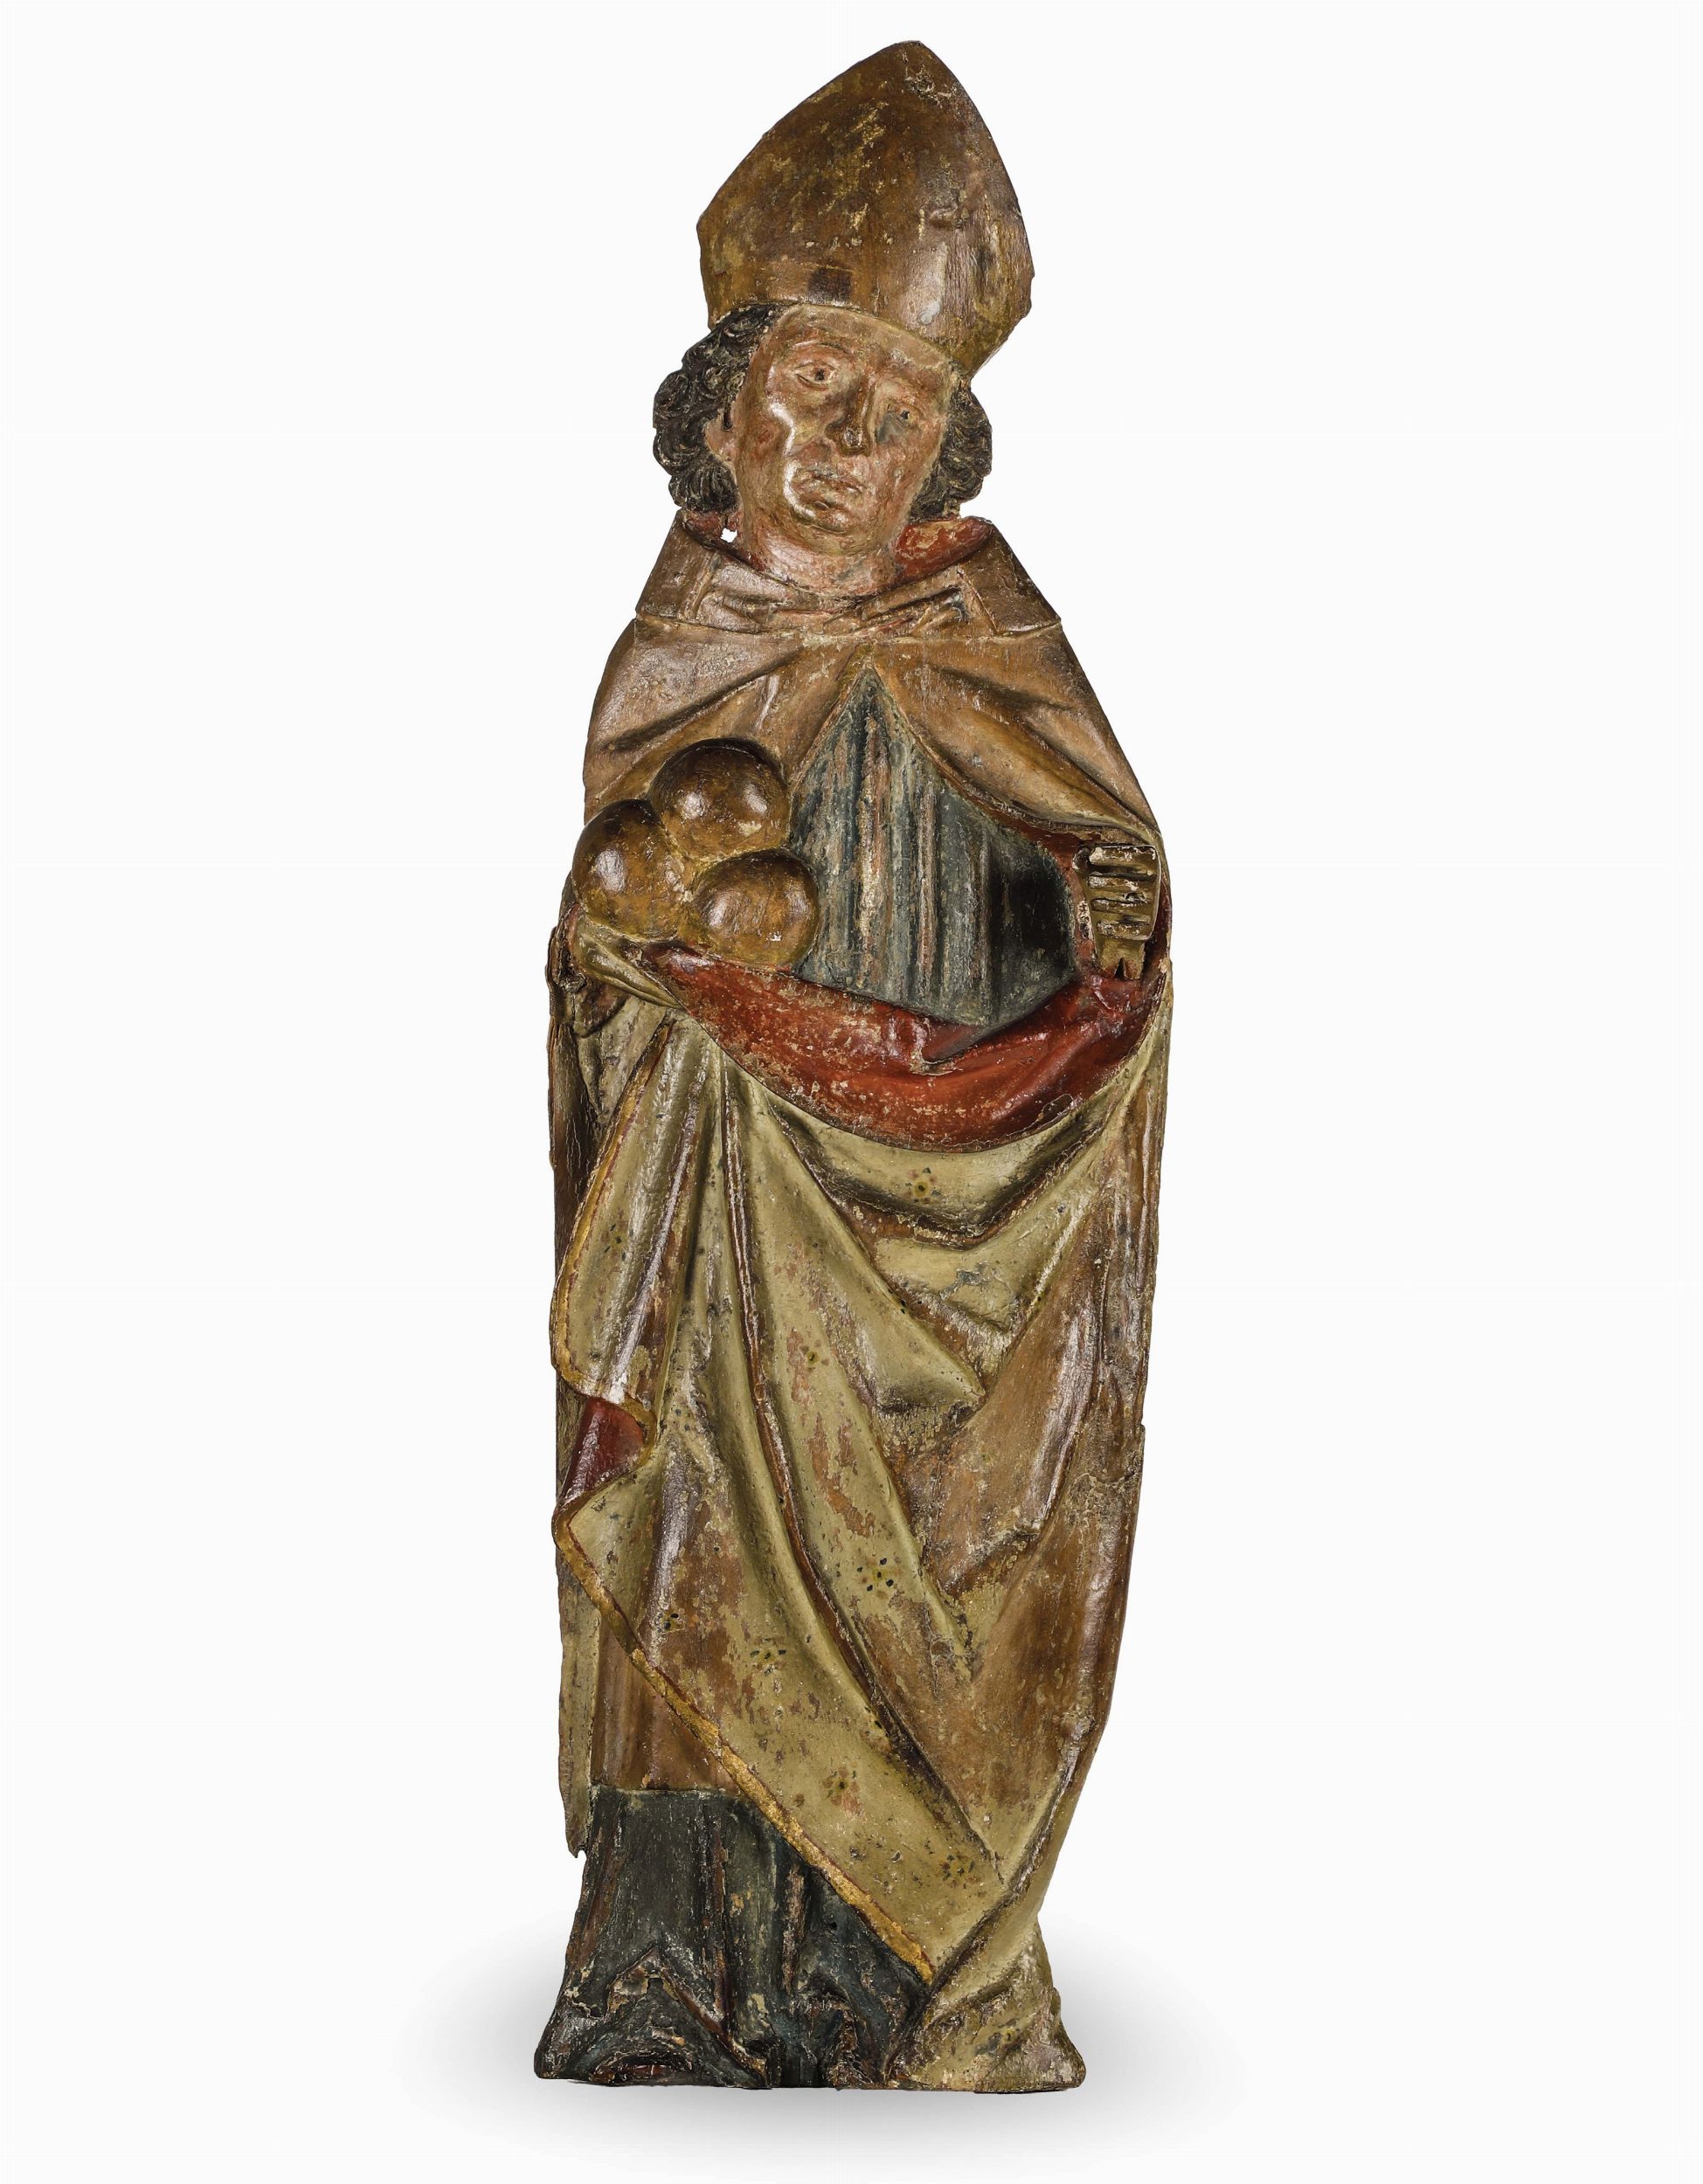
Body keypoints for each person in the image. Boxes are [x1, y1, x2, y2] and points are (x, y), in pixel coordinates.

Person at [537, 43, 1171, 2091]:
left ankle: (916, 1959)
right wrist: (655, 982)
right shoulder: (684, 638)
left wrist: (1103, 907)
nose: (845, 446)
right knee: (706, 1518)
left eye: (893, 412)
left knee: (941, 1546)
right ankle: (679, 1961)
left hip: (950, 1207)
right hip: (733, 1203)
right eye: (814, 391)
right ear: (722, 408)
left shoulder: (992, 624)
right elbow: (605, 935)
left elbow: (1107, 875)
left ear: (947, 450)